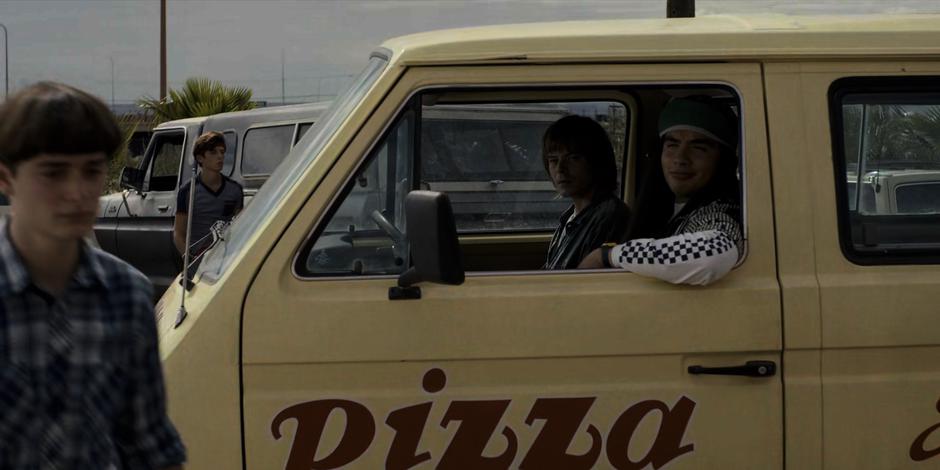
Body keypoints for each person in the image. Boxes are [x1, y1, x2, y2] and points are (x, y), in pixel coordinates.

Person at [0, 82, 186, 468]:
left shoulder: (126, 294)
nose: (77, 192)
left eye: (91, 171)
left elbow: (147, 442)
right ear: (6, 179)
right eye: (53, 173)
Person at [578, 97, 743, 285]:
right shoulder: (664, 208)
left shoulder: (719, 212)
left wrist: (608, 255)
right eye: (672, 145)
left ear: (722, 161)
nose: (680, 158)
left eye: (699, 148)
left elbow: (714, 253)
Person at [542, 115, 631, 269]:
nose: (560, 169)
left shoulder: (610, 217)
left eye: (573, 158)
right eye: (553, 160)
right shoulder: (571, 218)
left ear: (596, 162)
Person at [173, 131, 243, 258]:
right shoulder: (188, 191)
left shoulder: (235, 190)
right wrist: (188, 258)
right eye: (213, 152)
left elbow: (241, 229)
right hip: (197, 257)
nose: (220, 156)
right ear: (200, 158)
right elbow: (178, 233)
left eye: (222, 152)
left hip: (225, 258)